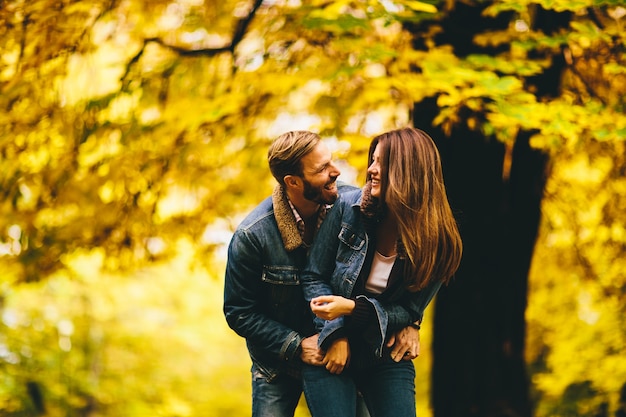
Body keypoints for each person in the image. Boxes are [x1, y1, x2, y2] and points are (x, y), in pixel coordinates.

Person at [223, 131, 421, 417]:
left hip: (345, 352)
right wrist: (296, 345)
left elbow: (399, 272)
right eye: (321, 169)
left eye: (331, 162)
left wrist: (412, 320)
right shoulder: (253, 236)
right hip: (279, 363)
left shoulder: (355, 207)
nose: (335, 172)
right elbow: (239, 311)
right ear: (293, 182)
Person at [300, 127, 463, 417]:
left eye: (381, 163)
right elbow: (313, 276)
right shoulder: (348, 208)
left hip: (385, 350)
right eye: (372, 160)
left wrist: (352, 308)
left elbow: (409, 310)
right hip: (330, 344)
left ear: (407, 171)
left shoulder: (440, 241)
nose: (371, 170)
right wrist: (336, 334)